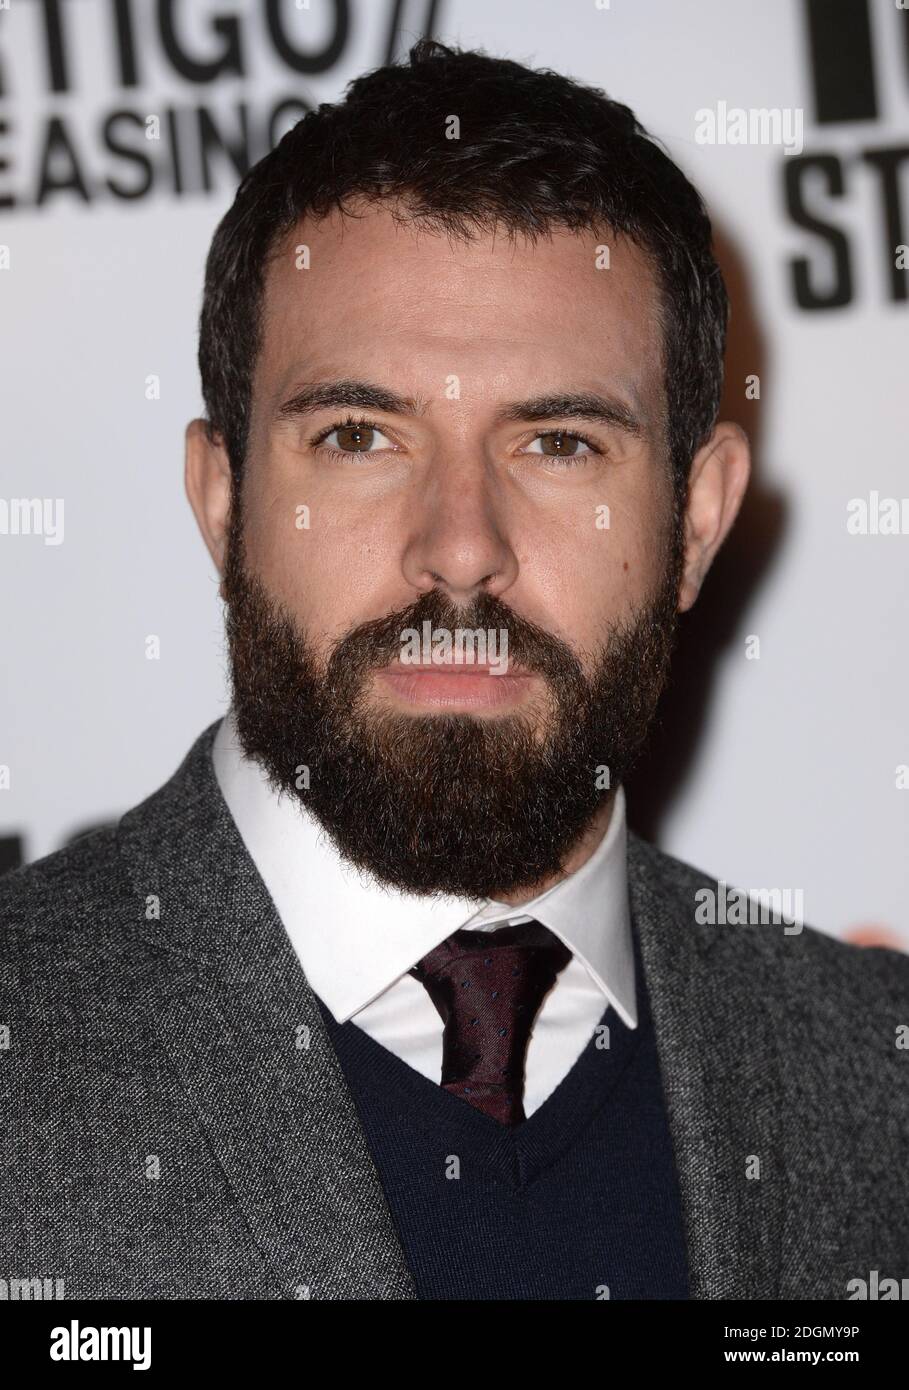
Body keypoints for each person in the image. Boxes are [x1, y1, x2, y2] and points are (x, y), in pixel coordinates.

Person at [2, 40, 906, 1302]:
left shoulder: (877, 1077)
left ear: (695, 523)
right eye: (360, 436)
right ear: (223, 502)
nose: (461, 552)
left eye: (560, 442)